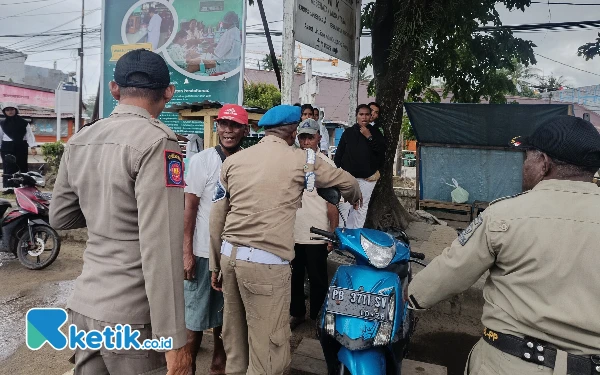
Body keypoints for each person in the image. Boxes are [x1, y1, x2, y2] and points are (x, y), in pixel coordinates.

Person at [407, 115, 600, 375]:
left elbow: (449, 273)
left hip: (510, 365)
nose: (523, 166)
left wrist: (412, 295)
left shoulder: (504, 215)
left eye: (527, 157)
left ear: (544, 163)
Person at [49, 49, 191, 375]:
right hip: (132, 317)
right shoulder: (159, 142)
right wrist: (173, 340)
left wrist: (105, 213)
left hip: (85, 306)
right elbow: (162, 248)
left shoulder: (81, 139)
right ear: (169, 92)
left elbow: (60, 218)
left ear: (114, 89)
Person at [208, 105, 362, 375]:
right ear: (293, 132)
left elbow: (216, 217)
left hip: (229, 259)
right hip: (265, 266)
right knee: (268, 352)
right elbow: (346, 181)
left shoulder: (232, 162)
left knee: (236, 344)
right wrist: (354, 195)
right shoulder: (303, 160)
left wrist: (215, 266)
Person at [184, 104, 248, 375]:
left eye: (234, 126)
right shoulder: (202, 161)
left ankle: (217, 368)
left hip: (234, 256)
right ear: (216, 127)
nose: (228, 131)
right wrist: (186, 252)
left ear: (245, 130)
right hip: (202, 253)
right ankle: (185, 368)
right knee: (193, 323)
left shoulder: (249, 162)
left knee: (226, 323)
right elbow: (189, 209)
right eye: (223, 124)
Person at [289, 118, 339, 330]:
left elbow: (333, 204)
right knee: (295, 277)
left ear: (319, 137)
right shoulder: (290, 162)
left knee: (318, 279)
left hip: (316, 233)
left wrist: (333, 233)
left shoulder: (326, 165)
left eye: (310, 137)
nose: (306, 141)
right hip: (292, 232)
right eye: (303, 137)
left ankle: (318, 316)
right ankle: (297, 313)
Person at [334, 104, 385, 229]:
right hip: (348, 178)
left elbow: (381, 153)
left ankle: (356, 235)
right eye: (361, 114)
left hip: (367, 179)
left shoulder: (376, 133)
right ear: (356, 116)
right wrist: (340, 173)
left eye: (367, 114)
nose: (364, 117)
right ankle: (342, 235)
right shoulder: (349, 133)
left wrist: (369, 137)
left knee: (361, 207)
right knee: (345, 206)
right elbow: (339, 155)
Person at [0, 103, 37, 189]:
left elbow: (29, 135)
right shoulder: (2, 123)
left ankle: (23, 186)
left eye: (12, 109)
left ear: (16, 110)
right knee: (8, 166)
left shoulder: (24, 122)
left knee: (22, 165)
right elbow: (0, 136)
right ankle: (9, 187)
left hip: (21, 146)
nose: (10, 112)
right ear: (4, 112)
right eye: (7, 110)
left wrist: (33, 147)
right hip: (7, 147)